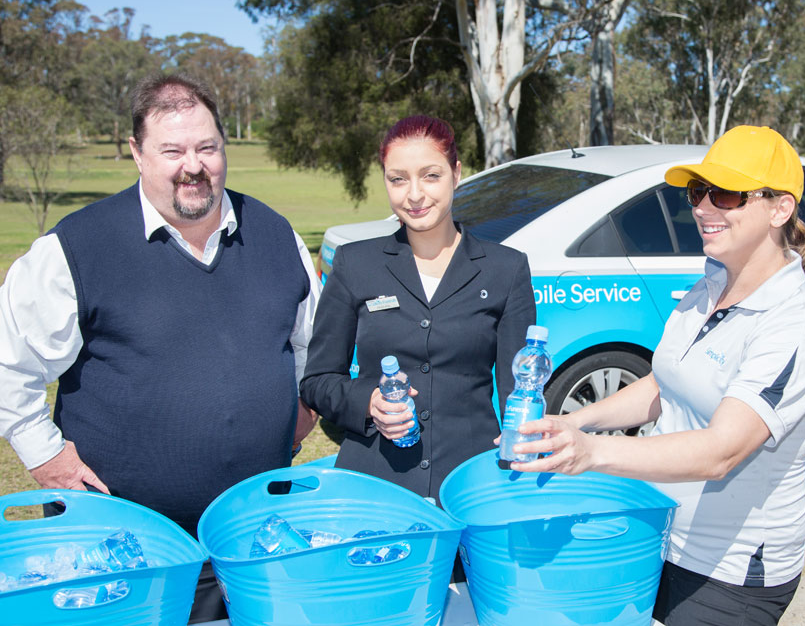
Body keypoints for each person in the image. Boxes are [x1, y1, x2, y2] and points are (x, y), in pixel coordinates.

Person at [0, 73, 320, 622]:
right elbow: (8, 364)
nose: (192, 166)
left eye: (207, 147)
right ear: (137, 153)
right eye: (171, 150)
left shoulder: (276, 234)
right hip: (120, 554)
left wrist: (295, 416)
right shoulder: (74, 248)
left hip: (257, 541)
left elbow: (311, 350)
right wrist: (47, 458)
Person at [508, 126, 805, 625]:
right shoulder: (706, 287)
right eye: (697, 192)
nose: (703, 208)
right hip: (658, 534)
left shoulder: (799, 324)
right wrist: (576, 425)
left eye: (725, 194)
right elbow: (662, 384)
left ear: (779, 209)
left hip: (729, 575)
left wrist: (592, 453)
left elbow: (720, 452)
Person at [300, 114, 535, 504]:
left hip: (469, 486)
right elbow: (318, 381)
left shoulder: (506, 269)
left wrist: (519, 468)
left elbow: (518, 393)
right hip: (375, 485)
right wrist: (368, 402)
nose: (414, 194)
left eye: (430, 176)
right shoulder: (355, 264)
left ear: (456, 174)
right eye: (397, 179)